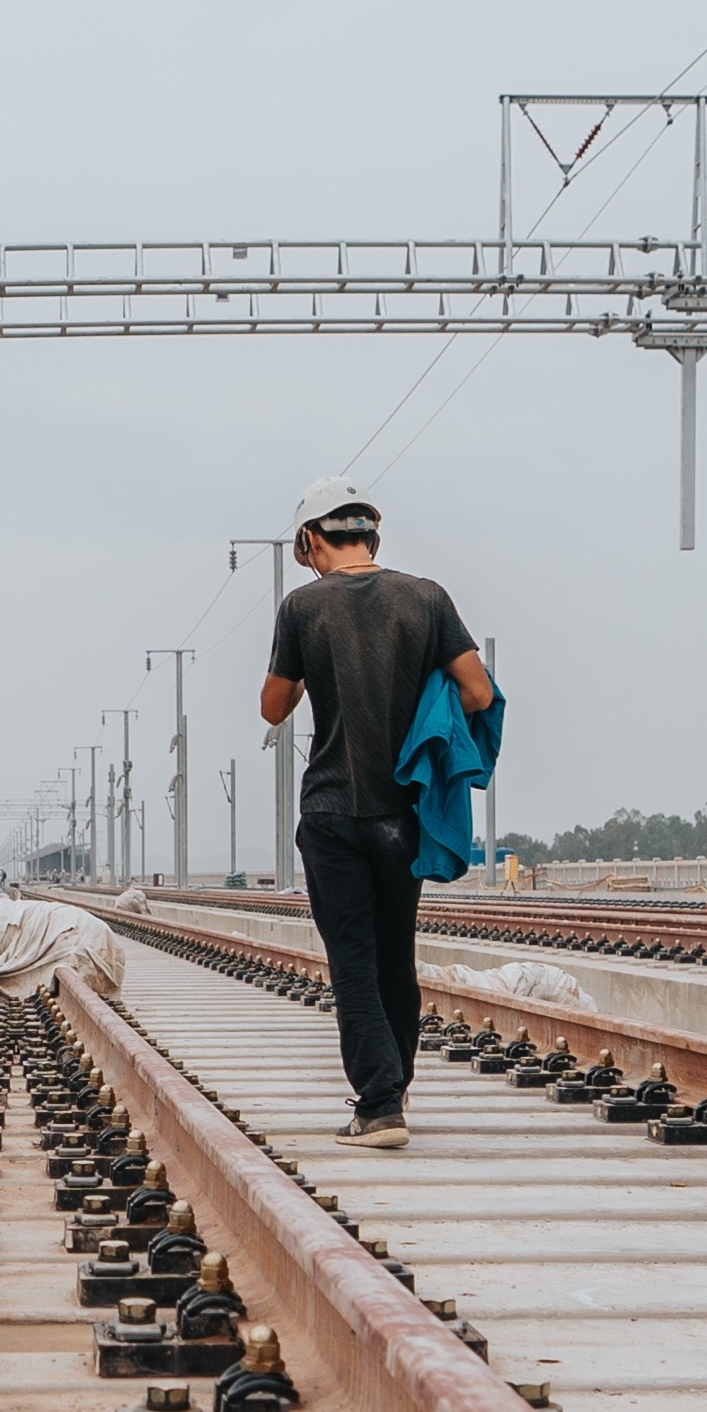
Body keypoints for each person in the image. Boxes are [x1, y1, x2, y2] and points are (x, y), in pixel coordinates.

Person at [258, 485, 493, 1146]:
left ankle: (379, 1103)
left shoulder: (302, 607)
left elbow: (273, 707)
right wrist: (418, 708)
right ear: (372, 535)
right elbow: (477, 692)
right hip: (402, 814)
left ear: (311, 539)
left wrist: (314, 669)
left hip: (332, 810)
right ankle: (394, 1088)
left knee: (353, 960)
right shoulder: (427, 598)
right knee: (395, 955)